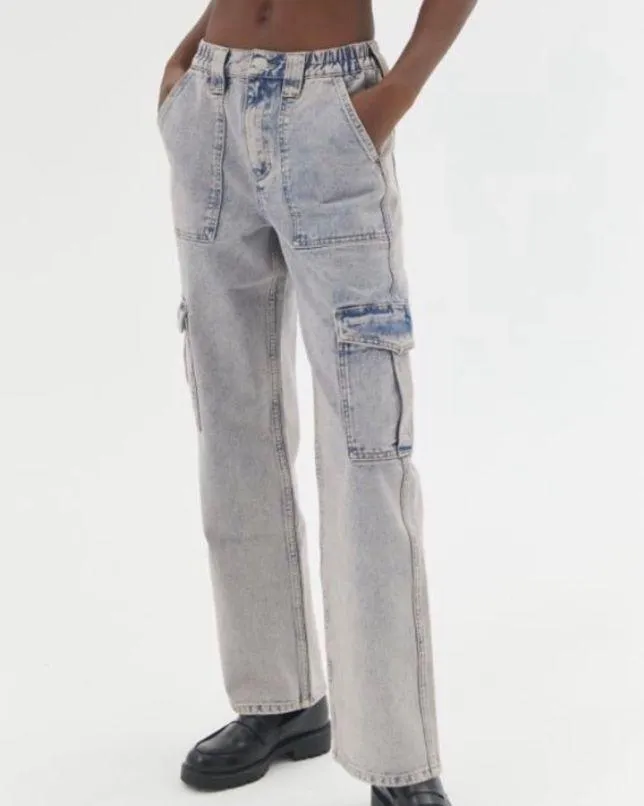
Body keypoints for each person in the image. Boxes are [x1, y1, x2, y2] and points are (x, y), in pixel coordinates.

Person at [156, 1, 477, 804]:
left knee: (366, 440)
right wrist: (187, 67)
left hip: (331, 110)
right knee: (231, 420)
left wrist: (395, 94)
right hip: (211, 105)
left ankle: (398, 758)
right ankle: (279, 698)